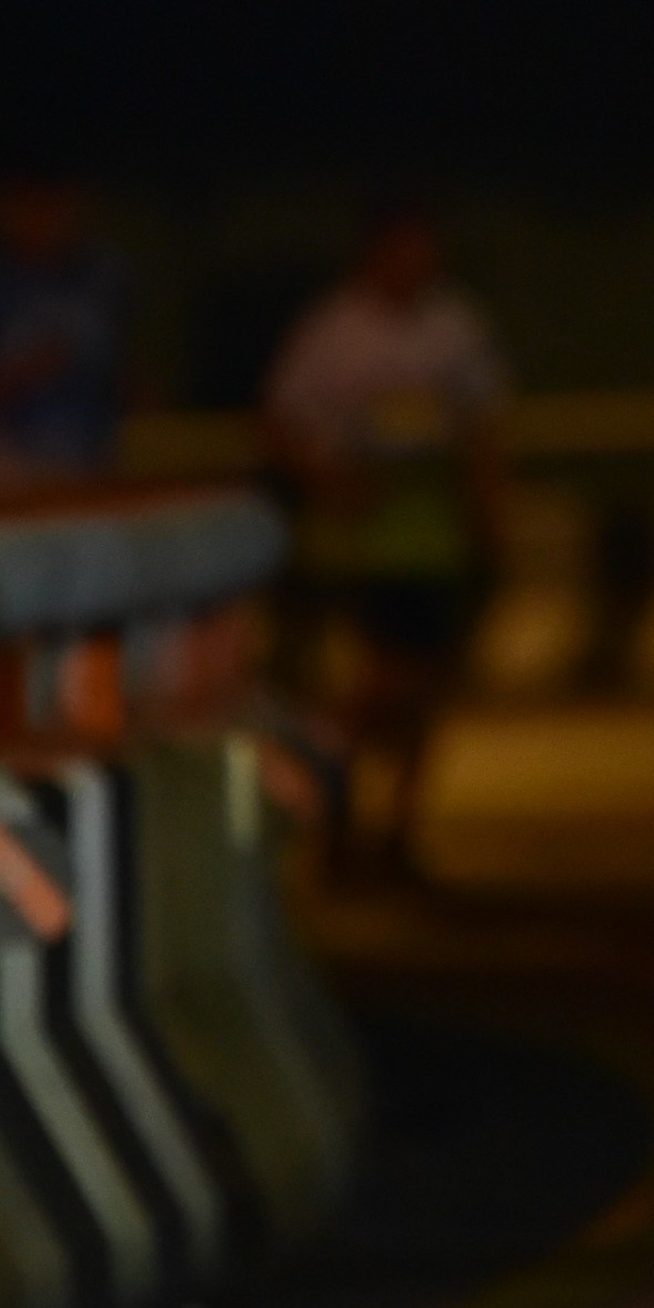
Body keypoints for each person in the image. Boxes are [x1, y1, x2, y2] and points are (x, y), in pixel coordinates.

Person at [263, 208, 513, 848]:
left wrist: (488, 514)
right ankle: (336, 805)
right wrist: (331, 479)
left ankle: (399, 823)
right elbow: (282, 420)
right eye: (403, 249)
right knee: (374, 676)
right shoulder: (334, 328)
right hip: (356, 538)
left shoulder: (453, 323)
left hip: (430, 531)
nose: (416, 263)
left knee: (425, 683)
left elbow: (482, 426)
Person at [0, 179, 132, 495]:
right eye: (32, 204)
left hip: (92, 476)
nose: (45, 218)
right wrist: (17, 374)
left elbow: (122, 378)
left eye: (56, 203)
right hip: (6, 481)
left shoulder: (101, 280)